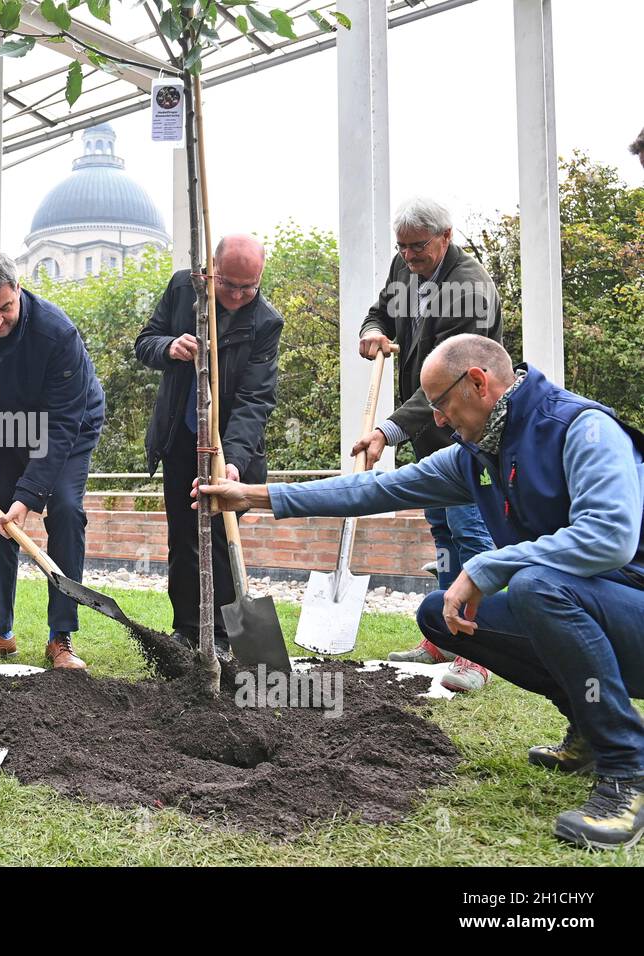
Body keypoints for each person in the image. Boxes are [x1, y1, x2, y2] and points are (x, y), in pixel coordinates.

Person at [199, 334, 644, 850]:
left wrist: (485, 565)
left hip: (630, 610)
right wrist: (255, 494)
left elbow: (609, 536)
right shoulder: (478, 455)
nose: (435, 419)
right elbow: (374, 489)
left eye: (440, 403)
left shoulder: (581, 429)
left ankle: (627, 772)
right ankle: (587, 725)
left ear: (477, 382)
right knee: (440, 614)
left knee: (536, 586)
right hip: (587, 617)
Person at [355, 197, 503, 692]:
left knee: (471, 534)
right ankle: (441, 636)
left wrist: (387, 431)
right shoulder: (406, 264)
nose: (409, 256)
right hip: (429, 432)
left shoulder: (471, 290)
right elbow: (382, 311)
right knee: (442, 533)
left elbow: (448, 383)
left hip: (465, 432)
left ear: (446, 236)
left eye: (418, 247)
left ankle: (478, 653)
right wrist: (373, 331)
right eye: (402, 247)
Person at [0, 251, 105, 670]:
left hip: (65, 425)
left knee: (66, 510)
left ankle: (61, 637)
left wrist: (30, 495)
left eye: (5, 309)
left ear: (18, 289)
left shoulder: (57, 333)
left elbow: (63, 424)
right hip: (5, 424)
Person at [134, 235, 282, 654]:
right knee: (182, 535)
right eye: (228, 284)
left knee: (220, 537)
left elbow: (256, 399)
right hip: (180, 438)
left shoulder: (265, 323)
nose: (237, 296)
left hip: (226, 445)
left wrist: (233, 461)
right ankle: (185, 629)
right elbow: (145, 342)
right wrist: (169, 347)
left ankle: (222, 636)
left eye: (248, 287)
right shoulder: (183, 289)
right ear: (209, 270)